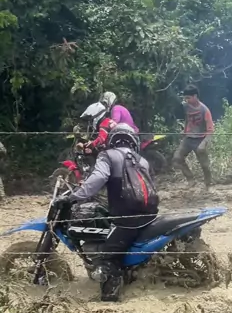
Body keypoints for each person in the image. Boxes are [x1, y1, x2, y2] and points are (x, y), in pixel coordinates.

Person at [59, 123, 158, 302]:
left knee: (108, 256)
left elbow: (98, 178)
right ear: (133, 141)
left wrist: (75, 196)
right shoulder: (142, 160)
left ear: (112, 139)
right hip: (149, 215)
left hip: (127, 218)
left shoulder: (108, 155)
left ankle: (109, 301)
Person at [173, 85, 214, 188]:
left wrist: (204, 143)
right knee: (177, 158)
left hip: (200, 139)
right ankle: (190, 179)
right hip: (188, 138)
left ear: (195, 96)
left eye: (188, 98)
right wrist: (184, 131)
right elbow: (187, 119)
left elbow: (210, 130)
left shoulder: (204, 110)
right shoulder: (186, 106)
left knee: (204, 165)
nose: (186, 100)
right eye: (185, 98)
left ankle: (208, 183)